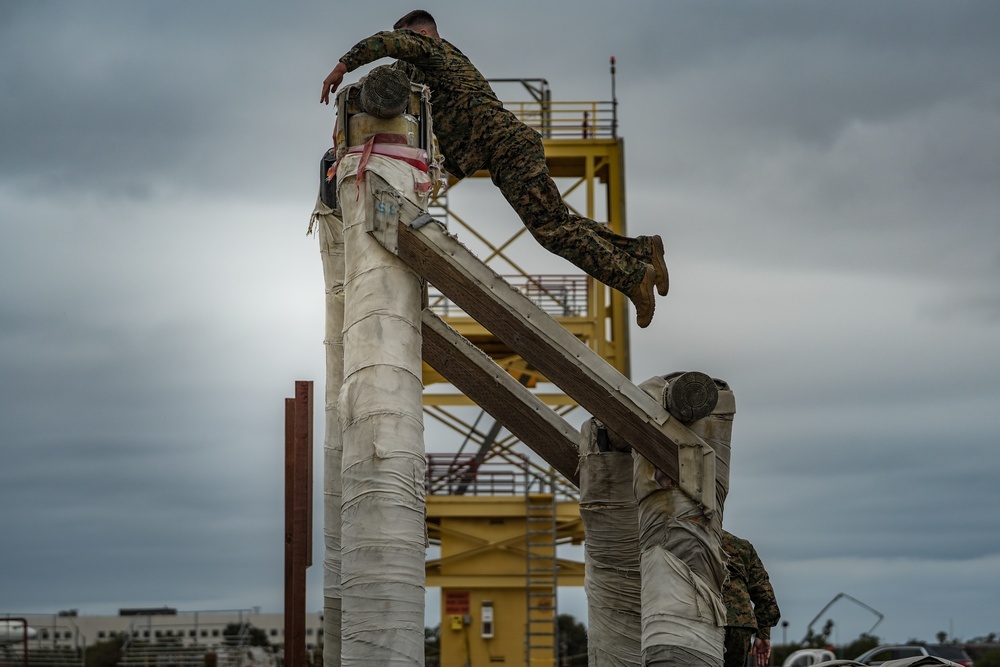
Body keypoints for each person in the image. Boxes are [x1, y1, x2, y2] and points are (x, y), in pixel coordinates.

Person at [320, 10, 669, 328]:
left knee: (551, 230)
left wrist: (343, 65)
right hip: (506, 151)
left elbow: (392, 42)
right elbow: (396, 80)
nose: (403, 57)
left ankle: (633, 277)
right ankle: (641, 249)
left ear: (424, 34)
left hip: (508, 148)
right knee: (560, 221)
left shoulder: (434, 52)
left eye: (408, 47)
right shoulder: (425, 70)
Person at [722, 530, 781, 667]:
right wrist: (763, 633)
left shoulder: (679, 540)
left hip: (700, 620)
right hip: (739, 625)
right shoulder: (741, 545)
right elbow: (765, 594)